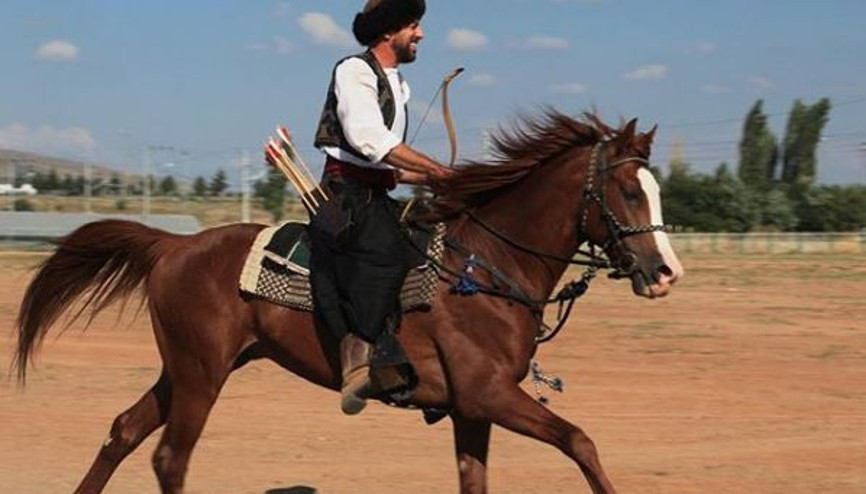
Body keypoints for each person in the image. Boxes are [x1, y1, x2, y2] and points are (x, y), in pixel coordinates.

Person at [309, 0, 453, 415]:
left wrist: (435, 178)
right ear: (389, 32)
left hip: (374, 193)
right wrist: (436, 169)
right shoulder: (354, 71)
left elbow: (387, 169)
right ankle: (360, 353)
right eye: (413, 25)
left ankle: (429, 365)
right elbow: (371, 141)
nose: (421, 34)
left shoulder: (397, 83)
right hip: (343, 197)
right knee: (383, 255)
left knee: (430, 248)